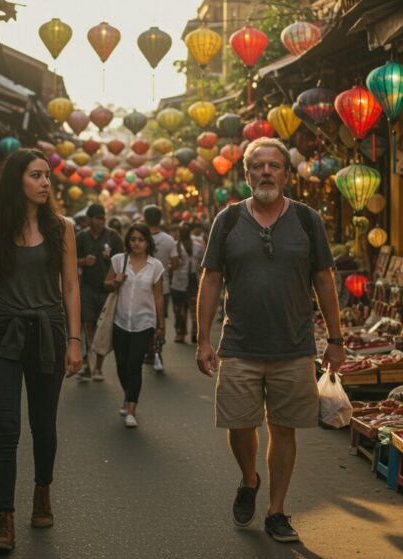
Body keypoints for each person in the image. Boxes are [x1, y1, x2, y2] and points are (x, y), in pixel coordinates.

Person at [196, 137, 347, 544]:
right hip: (239, 346)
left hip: (294, 347)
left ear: (285, 173)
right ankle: (249, 478)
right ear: (246, 175)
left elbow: (324, 280)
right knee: (240, 424)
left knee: (284, 430)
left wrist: (335, 338)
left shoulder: (307, 219)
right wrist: (202, 340)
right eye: (258, 166)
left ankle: (277, 510)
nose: (266, 172)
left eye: (274, 166)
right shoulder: (227, 221)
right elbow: (210, 280)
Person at [0, 148, 83, 554]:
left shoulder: (61, 227)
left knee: (43, 425)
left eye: (47, 176)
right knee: (5, 430)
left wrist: (74, 340)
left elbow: (70, 287)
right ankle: (5, 519)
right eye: (36, 175)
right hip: (1, 332)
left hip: (47, 332)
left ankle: (42, 493)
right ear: (18, 180)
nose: (45, 183)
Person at [104, 222, 165, 428]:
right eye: (133, 239)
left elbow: (158, 297)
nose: (137, 243)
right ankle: (127, 395)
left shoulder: (155, 266)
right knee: (121, 365)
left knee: (134, 364)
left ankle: (131, 409)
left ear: (148, 242)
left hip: (145, 322)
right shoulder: (119, 260)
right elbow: (107, 284)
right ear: (128, 242)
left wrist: (161, 325)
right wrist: (116, 281)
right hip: (120, 320)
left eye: (141, 239)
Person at [75, 203, 123, 382]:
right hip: (86, 287)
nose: (100, 221)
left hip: (106, 288)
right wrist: (82, 261)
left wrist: (114, 270)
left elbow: (123, 260)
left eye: (102, 218)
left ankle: (98, 367)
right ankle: (86, 363)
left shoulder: (113, 237)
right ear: (89, 219)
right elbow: (69, 260)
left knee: (102, 326)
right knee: (87, 324)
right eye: (96, 218)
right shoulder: (81, 237)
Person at [141, 205, 176, 373]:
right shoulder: (169, 240)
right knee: (160, 322)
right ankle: (157, 351)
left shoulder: (140, 238)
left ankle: (148, 351)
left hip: (143, 286)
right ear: (160, 219)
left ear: (145, 218)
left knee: (146, 321)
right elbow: (175, 264)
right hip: (164, 287)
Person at [170, 223, 204, 343]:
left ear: (179, 233)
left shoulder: (174, 246)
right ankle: (195, 332)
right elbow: (202, 263)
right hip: (193, 281)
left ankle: (180, 333)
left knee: (179, 309)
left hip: (178, 283)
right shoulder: (198, 246)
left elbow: (171, 265)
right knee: (194, 310)